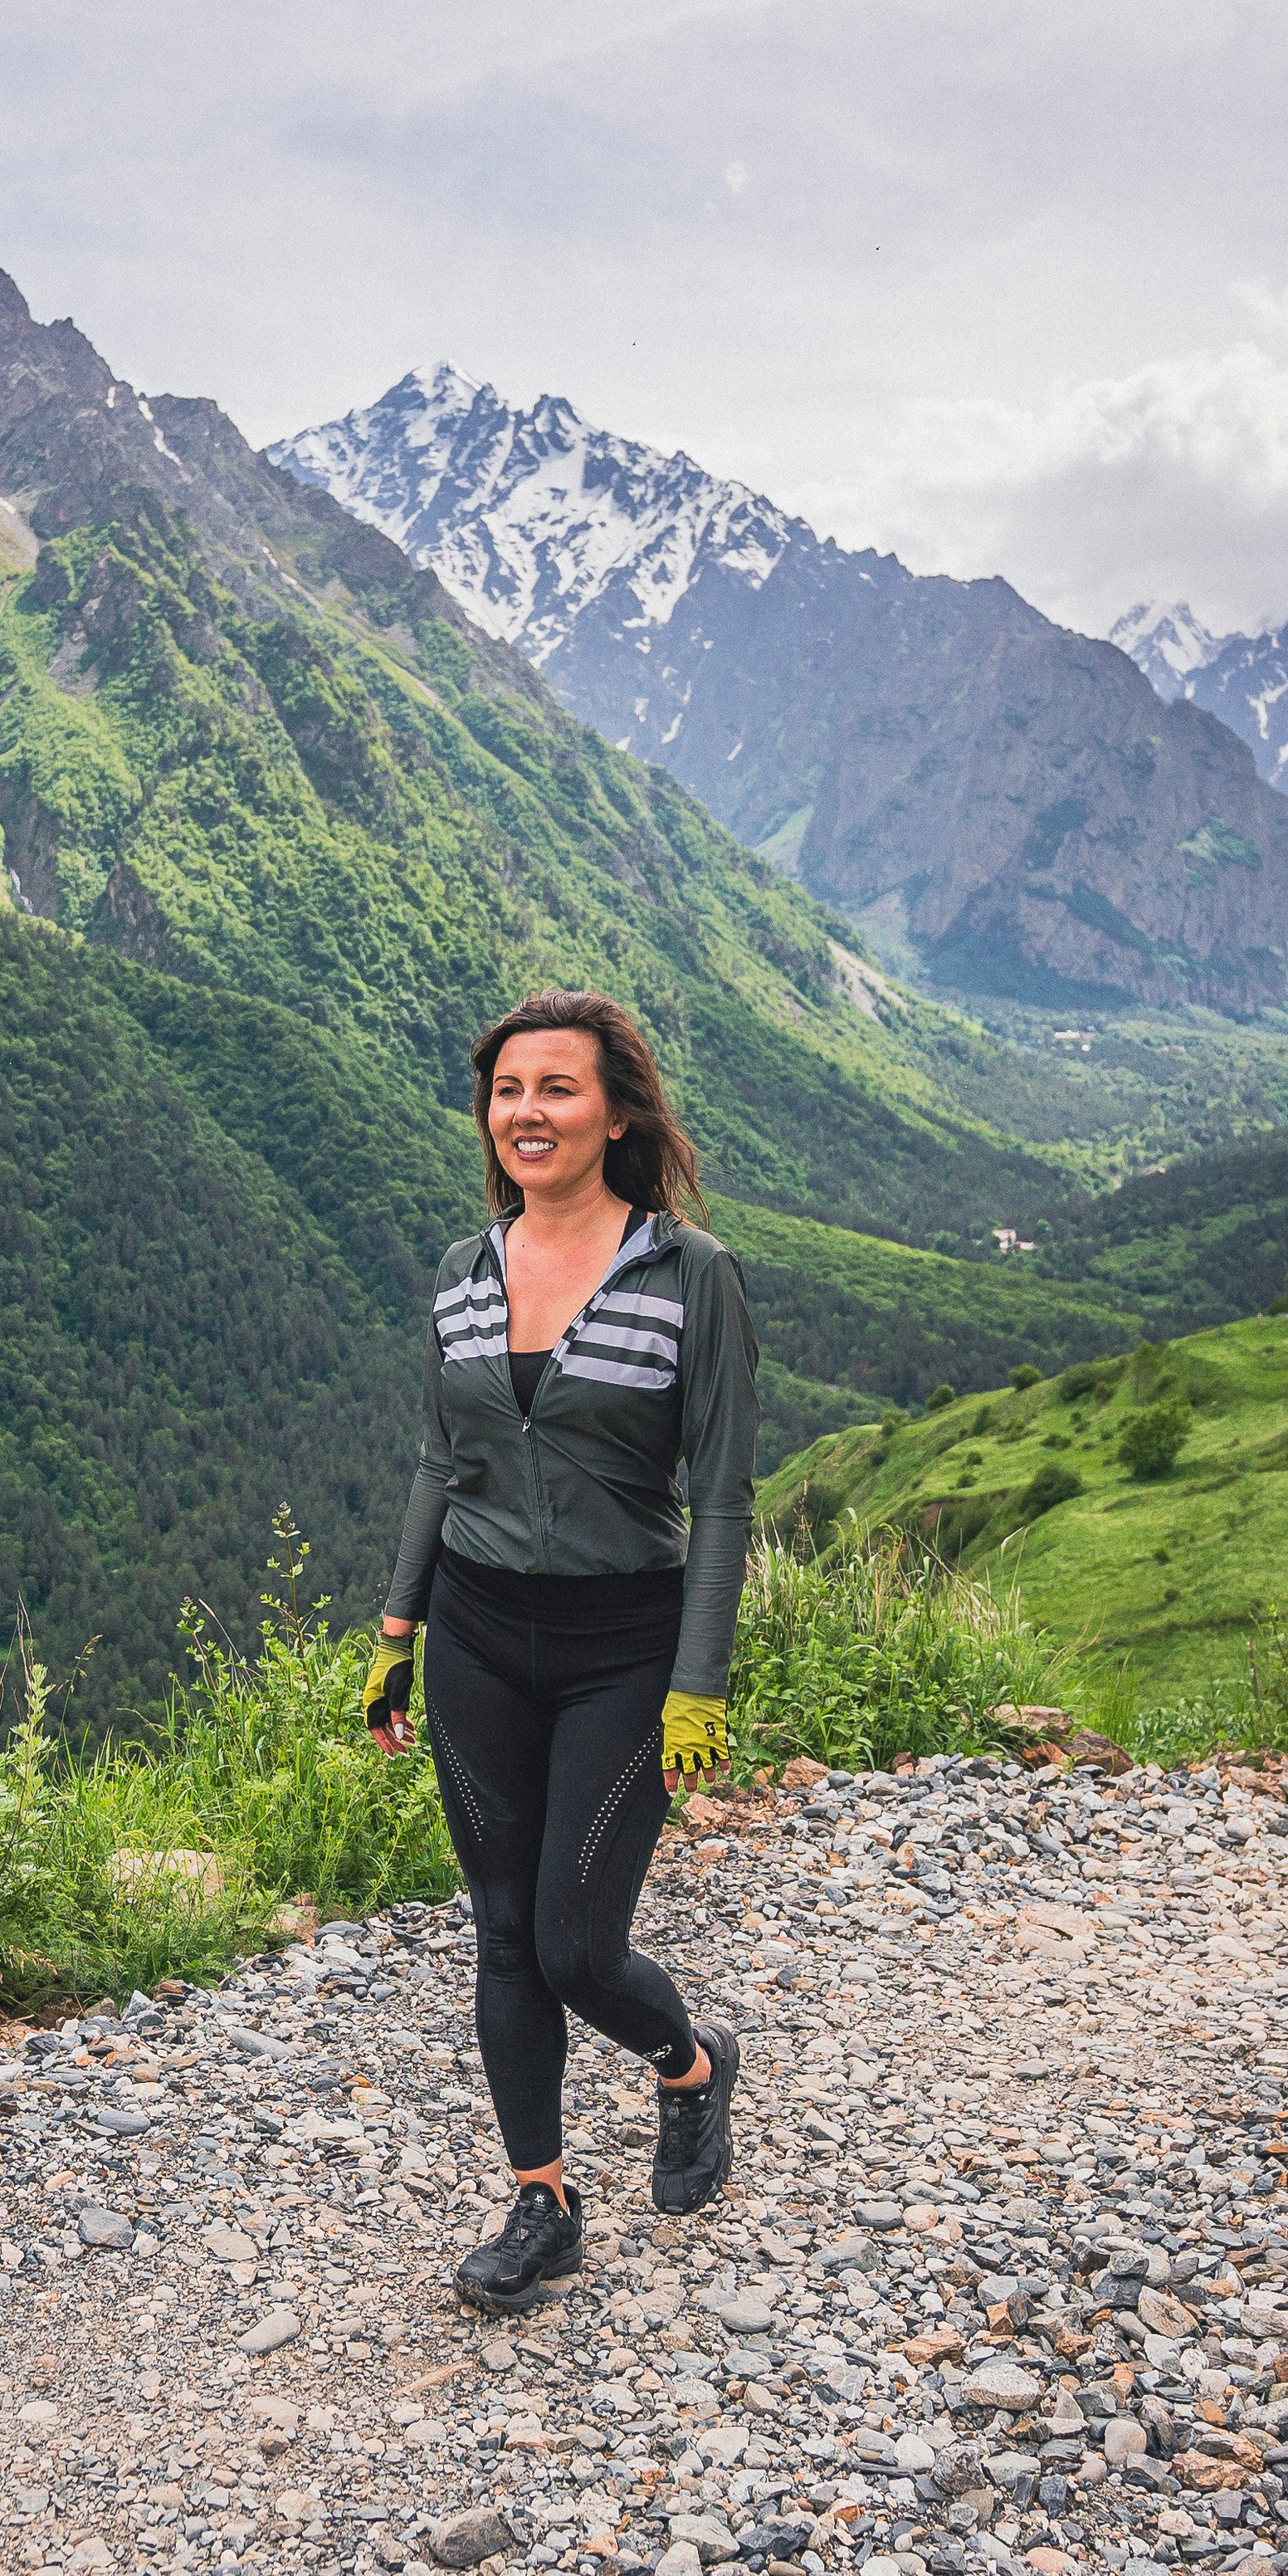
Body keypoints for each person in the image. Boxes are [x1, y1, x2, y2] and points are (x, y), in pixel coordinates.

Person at [363, 989, 759, 2315]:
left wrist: (697, 1682)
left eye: (557, 1089)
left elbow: (724, 1500)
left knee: (582, 1945)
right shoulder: (463, 1273)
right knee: (505, 1934)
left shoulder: (688, 1273)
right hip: (478, 1635)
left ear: (618, 1113)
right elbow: (442, 1460)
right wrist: (396, 1633)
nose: (527, 1112)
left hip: (622, 1649)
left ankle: (692, 2066)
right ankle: (544, 2200)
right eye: (507, 1091)